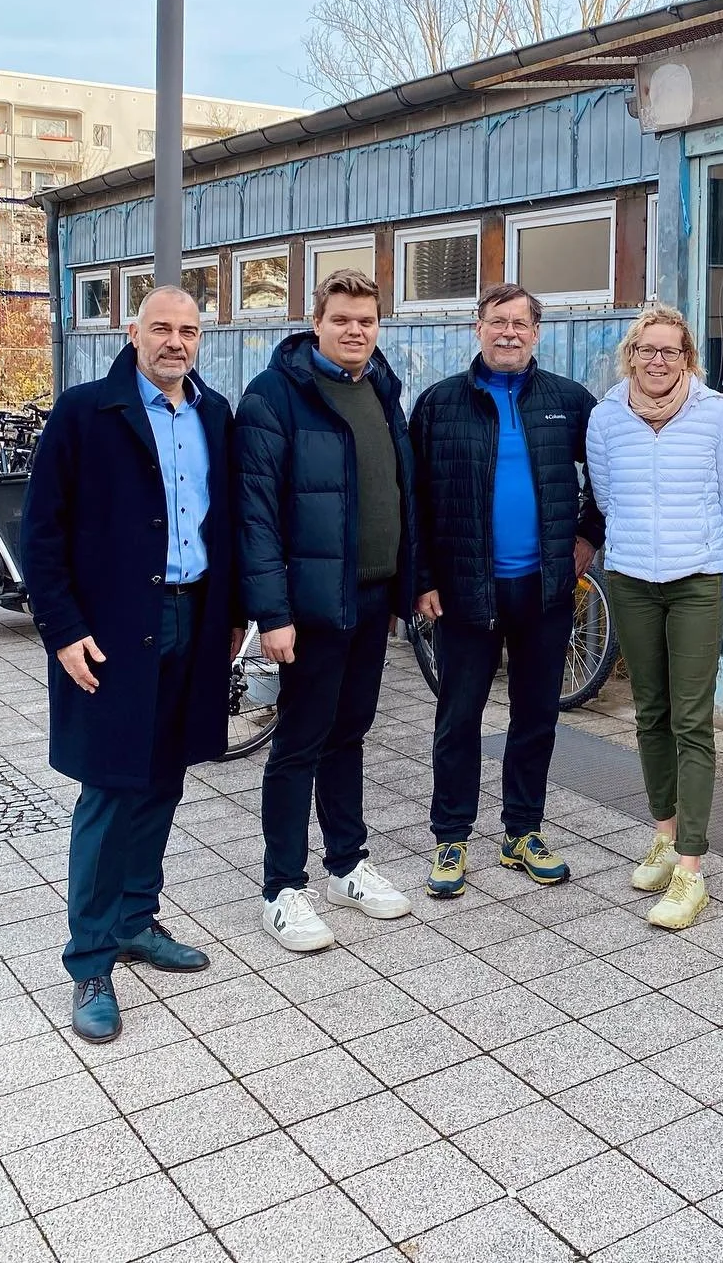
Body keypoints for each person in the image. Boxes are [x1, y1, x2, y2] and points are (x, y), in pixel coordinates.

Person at [21, 287, 242, 1043]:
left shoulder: (214, 413)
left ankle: (135, 921)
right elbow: (41, 531)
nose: (176, 342)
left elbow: (223, 523)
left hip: (193, 619)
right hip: (111, 632)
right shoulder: (86, 412)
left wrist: (232, 617)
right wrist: (62, 629)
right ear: (132, 331)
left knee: (165, 777)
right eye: (162, 328)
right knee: (111, 789)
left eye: (189, 331)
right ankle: (89, 960)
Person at [234, 268, 417, 952]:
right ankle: (282, 888)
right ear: (316, 323)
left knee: (350, 733)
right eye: (341, 319)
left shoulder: (382, 388)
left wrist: (406, 586)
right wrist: (272, 613)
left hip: (370, 598)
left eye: (366, 320)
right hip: (310, 608)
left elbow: (400, 492)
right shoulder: (274, 396)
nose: (354, 331)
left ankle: (346, 865)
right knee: (299, 744)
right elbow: (255, 516)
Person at [409, 282, 602, 898]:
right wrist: (422, 580)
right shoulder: (440, 404)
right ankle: (451, 836)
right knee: (458, 716)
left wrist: (587, 537)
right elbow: (415, 501)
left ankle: (522, 830)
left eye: (520, 323)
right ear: (478, 328)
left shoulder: (568, 401)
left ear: (536, 333)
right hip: (465, 591)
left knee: (536, 716)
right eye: (498, 322)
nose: (509, 333)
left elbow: (608, 474)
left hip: (544, 592)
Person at [587, 305, 723, 930]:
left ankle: (692, 868)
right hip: (631, 578)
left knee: (691, 718)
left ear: (687, 358)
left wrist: (693, 546)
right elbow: (606, 497)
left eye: (670, 351)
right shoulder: (606, 418)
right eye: (647, 349)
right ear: (632, 354)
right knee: (649, 711)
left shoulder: (716, 414)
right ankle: (664, 833)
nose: (658, 361)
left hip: (696, 580)